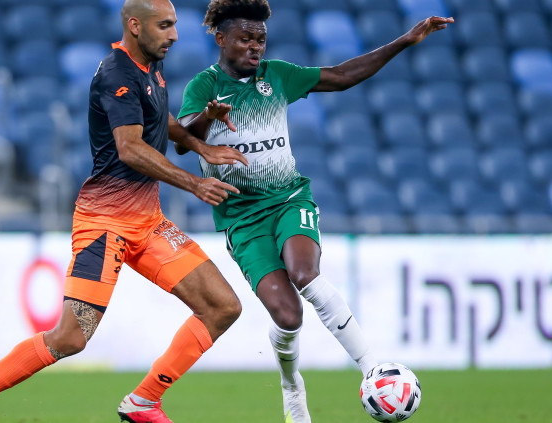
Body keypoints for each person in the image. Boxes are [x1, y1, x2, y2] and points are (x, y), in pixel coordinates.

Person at [0, 0, 250, 422]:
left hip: (148, 223)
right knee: (71, 337)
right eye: (165, 25)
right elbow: (130, 148)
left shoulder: (149, 67)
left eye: (175, 25)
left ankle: (143, 402)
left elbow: (160, 121)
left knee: (222, 306)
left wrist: (201, 143)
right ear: (135, 25)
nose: (175, 35)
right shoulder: (117, 74)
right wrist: (195, 183)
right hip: (105, 224)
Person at [176, 1, 453, 422]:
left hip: (288, 198)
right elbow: (182, 141)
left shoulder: (277, 75)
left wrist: (404, 41)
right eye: (245, 39)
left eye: (260, 39)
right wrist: (207, 118)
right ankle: (292, 386)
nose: (255, 47)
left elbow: (341, 76)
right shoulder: (204, 86)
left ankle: (372, 367)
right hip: (241, 218)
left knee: (305, 274)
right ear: (221, 39)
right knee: (288, 316)